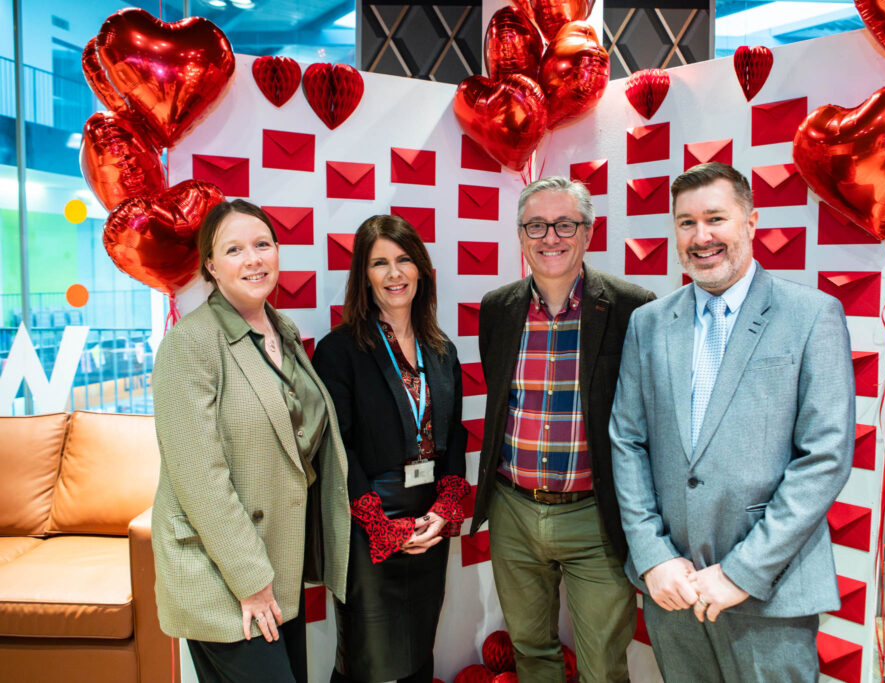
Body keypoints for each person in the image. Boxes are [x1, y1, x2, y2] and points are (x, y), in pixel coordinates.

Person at [609, 162, 856, 681]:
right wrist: (653, 557)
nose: (702, 237)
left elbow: (826, 456)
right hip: (672, 586)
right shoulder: (649, 322)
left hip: (772, 587)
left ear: (751, 221)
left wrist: (744, 571)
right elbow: (627, 441)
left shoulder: (811, 314)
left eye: (716, 218)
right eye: (686, 222)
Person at [151, 199, 350, 683]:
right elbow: (200, 478)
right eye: (234, 249)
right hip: (225, 573)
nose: (253, 258)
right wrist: (251, 582)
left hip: (279, 561)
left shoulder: (282, 328)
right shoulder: (191, 342)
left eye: (263, 244)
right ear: (211, 268)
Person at [469, 176, 655, 682]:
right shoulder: (498, 308)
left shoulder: (631, 306)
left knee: (602, 667)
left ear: (588, 233)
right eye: (536, 225)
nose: (550, 237)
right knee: (531, 652)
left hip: (596, 516)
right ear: (521, 235)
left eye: (564, 224)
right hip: (513, 513)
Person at [313, 214, 470, 683]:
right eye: (379, 263)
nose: (394, 273)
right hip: (369, 528)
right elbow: (338, 449)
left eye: (404, 260)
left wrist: (444, 512)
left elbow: (456, 437)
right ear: (364, 275)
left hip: (428, 522)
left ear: (420, 269)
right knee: (368, 661)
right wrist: (382, 526)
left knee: (419, 653)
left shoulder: (442, 350)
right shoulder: (338, 351)